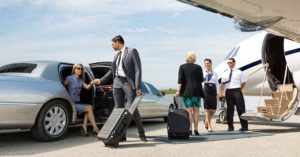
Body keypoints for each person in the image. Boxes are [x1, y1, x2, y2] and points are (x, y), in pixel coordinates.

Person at [94, 35, 147, 142]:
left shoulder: (132, 51)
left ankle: (142, 134)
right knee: (118, 109)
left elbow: (138, 70)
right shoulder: (115, 56)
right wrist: (100, 80)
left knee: (132, 109)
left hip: (128, 82)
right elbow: (111, 71)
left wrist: (137, 87)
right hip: (117, 82)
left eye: (113, 44)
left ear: (118, 42)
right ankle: (121, 135)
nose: (112, 46)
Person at [64, 64, 100, 137]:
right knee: (89, 108)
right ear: (74, 69)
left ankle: (84, 127)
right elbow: (62, 86)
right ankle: (96, 129)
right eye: (78, 68)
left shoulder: (80, 80)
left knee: (89, 109)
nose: (80, 70)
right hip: (71, 104)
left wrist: (91, 83)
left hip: (77, 103)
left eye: (81, 69)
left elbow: (87, 87)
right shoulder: (69, 78)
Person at [176, 51, 204, 136]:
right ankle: (196, 129)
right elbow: (202, 79)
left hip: (187, 91)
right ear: (194, 58)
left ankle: (189, 130)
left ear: (186, 58)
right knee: (196, 111)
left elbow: (180, 80)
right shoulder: (198, 67)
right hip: (197, 91)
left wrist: (178, 91)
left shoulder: (182, 67)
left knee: (189, 112)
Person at [220, 58, 248, 131]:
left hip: (237, 91)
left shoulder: (239, 72)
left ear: (234, 63)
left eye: (230, 62)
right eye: (228, 63)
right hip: (228, 92)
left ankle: (244, 127)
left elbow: (243, 83)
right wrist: (222, 92)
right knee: (230, 110)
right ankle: (230, 127)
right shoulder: (225, 72)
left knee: (241, 109)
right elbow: (222, 83)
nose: (229, 64)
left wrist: (238, 90)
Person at [203, 58, 219, 132]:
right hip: (205, 91)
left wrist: (218, 93)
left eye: (208, 63)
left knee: (213, 110)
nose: (207, 65)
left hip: (213, 91)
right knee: (207, 109)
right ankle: (209, 125)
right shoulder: (203, 72)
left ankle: (206, 120)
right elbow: (201, 83)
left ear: (211, 64)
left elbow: (217, 84)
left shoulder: (215, 73)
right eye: (205, 63)